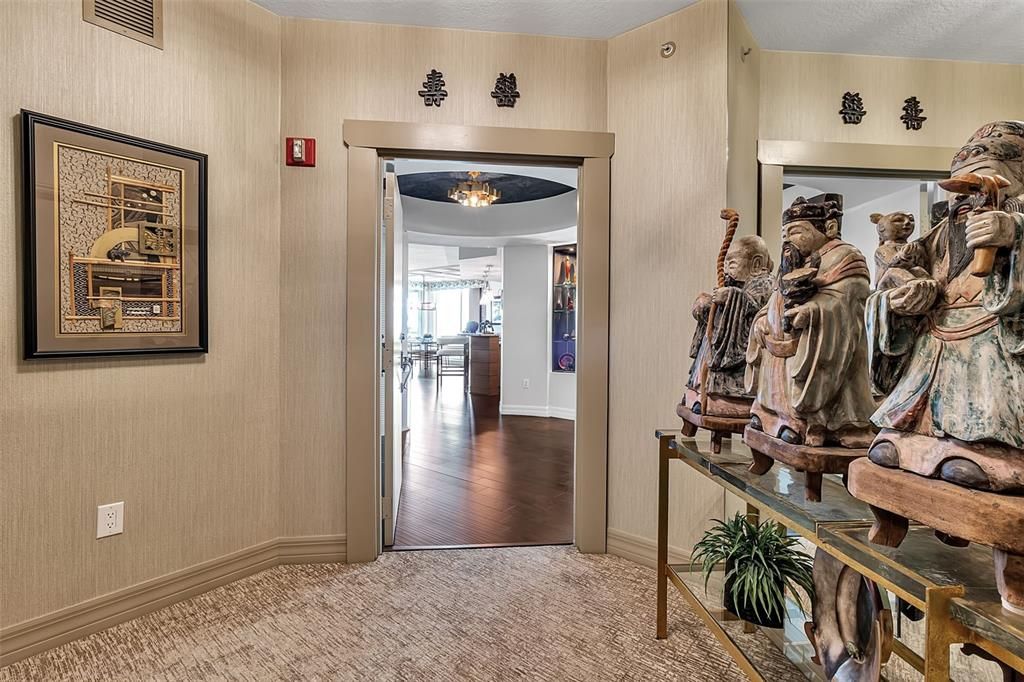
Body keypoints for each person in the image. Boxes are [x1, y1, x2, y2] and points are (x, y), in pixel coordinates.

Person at [868, 121, 1024, 492]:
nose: (966, 196)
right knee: (888, 448)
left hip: (992, 353)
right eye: (958, 187)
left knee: (973, 462)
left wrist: (1014, 234)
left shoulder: (1014, 223)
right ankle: (920, 441)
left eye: (981, 181)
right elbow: (889, 280)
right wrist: (897, 303)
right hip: (933, 352)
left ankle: (990, 451)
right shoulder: (935, 237)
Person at [745, 194, 877, 448]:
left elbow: (848, 301)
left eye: (795, 231)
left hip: (827, 344)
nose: (787, 239)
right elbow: (774, 299)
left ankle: (829, 422)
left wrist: (814, 312)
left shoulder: (845, 258)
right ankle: (778, 415)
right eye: (784, 233)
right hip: (782, 346)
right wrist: (763, 319)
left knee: (835, 390)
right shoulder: (792, 261)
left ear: (828, 228)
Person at [685, 235, 774, 410]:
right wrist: (706, 306)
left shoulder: (765, 283)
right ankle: (699, 387)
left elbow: (758, 308)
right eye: (725, 264)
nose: (726, 270)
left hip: (745, 350)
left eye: (732, 264)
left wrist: (731, 296)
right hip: (720, 347)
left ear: (756, 264)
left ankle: (728, 398)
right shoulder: (738, 285)